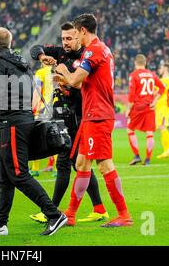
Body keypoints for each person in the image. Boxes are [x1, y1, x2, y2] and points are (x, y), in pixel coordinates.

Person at [0, 27, 67, 236]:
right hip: (20, 121)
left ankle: (54, 215)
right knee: (3, 176)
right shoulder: (20, 61)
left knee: (18, 173)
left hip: (11, 124)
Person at [55, 13, 133, 227]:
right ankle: (70, 215)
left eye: (75, 34)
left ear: (82, 31)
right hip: (92, 114)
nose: (75, 39)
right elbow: (81, 84)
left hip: (98, 115)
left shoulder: (94, 50)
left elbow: (76, 79)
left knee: (105, 164)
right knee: (81, 163)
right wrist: (64, 79)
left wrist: (63, 71)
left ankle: (124, 215)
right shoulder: (102, 50)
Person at [28, 22, 109, 224]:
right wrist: (41, 56)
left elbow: (81, 87)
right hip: (62, 114)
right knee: (76, 164)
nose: (65, 42)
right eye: (63, 38)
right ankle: (98, 208)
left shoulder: (84, 57)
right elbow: (35, 48)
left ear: (78, 36)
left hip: (78, 116)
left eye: (69, 38)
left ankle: (51, 211)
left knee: (66, 163)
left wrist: (63, 78)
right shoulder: (58, 52)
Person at [127, 54, 165, 166]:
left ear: (135, 63)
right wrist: (155, 101)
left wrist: (128, 109)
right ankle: (147, 160)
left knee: (130, 130)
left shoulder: (134, 75)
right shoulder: (151, 74)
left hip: (138, 106)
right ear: (145, 63)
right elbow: (162, 87)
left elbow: (131, 95)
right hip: (150, 106)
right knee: (149, 134)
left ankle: (137, 156)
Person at [29, 63, 56, 177]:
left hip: (43, 109)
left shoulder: (40, 72)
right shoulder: (58, 69)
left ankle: (35, 169)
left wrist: (33, 108)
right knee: (56, 137)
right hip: (56, 107)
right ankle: (55, 168)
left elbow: (37, 92)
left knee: (37, 138)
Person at [156, 62, 169, 159]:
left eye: (161, 67)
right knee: (161, 127)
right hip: (160, 106)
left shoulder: (168, 80)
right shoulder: (162, 79)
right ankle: (166, 150)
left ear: (166, 68)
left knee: (162, 126)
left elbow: (160, 90)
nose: (159, 69)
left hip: (164, 106)